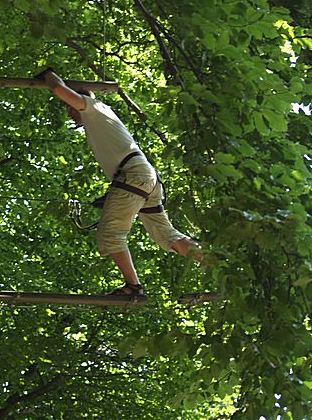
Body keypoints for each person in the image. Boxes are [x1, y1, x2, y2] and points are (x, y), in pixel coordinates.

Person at [41, 69, 201, 297]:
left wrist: (49, 75)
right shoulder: (100, 117)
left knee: (110, 235)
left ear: (78, 100)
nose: (69, 114)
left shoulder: (93, 108)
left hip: (135, 175)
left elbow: (58, 89)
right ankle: (219, 264)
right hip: (144, 178)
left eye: (69, 108)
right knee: (167, 235)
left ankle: (133, 288)